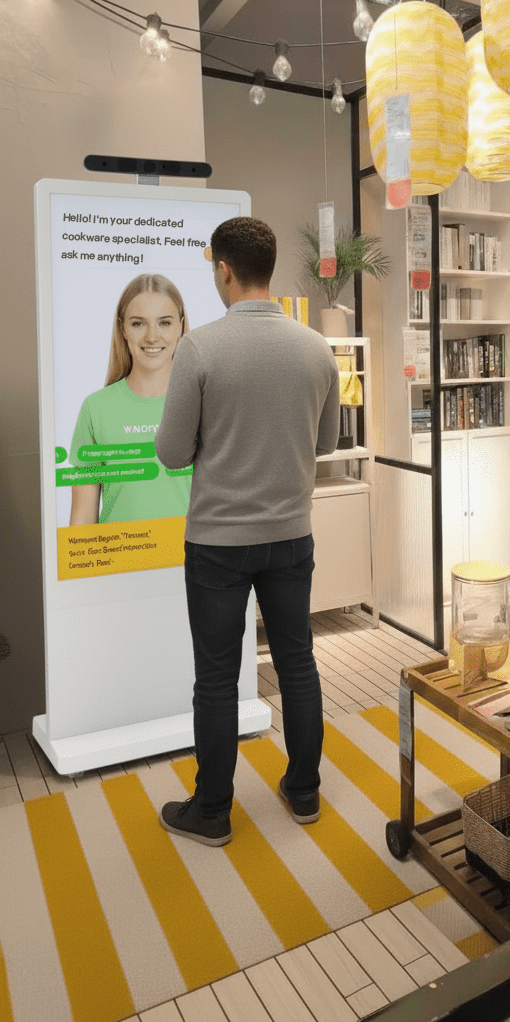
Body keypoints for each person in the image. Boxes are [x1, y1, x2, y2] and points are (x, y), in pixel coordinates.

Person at [154, 216, 340, 846]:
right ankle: (304, 790)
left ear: (224, 270)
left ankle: (212, 812)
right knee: (297, 661)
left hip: (217, 544)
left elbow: (172, 452)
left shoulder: (199, 348)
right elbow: (326, 443)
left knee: (215, 677)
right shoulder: (315, 348)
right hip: (290, 535)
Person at [69, 273, 191, 525]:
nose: (152, 336)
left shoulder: (204, 404)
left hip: (190, 552)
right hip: (118, 550)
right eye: (138, 324)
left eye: (164, 323)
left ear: (180, 326)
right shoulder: (96, 409)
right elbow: (82, 521)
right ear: (122, 328)